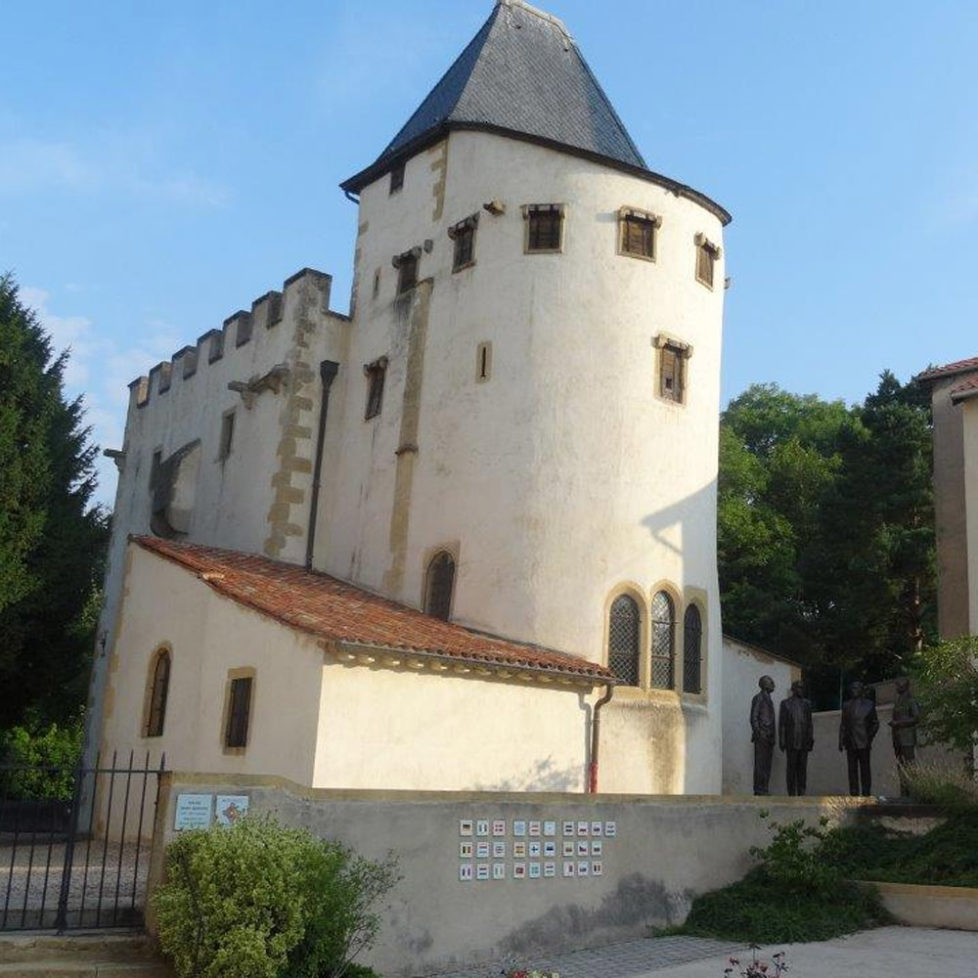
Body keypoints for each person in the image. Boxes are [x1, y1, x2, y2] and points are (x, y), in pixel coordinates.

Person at [839, 681, 880, 796]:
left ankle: (866, 792)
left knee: (865, 769)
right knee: (852, 769)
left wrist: (869, 737)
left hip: (864, 742)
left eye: (856, 688)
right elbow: (843, 724)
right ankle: (854, 791)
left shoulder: (869, 704)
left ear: (861, 690)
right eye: (852, 688)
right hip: (850, 742)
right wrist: (841, 740)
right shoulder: (846, 705)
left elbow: (875, 723)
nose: (854, 690)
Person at [778, 680, 814, 796]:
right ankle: (791, 793)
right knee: (791, 769)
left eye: (802, 688)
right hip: (791, 741)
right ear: (793, 689)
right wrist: (782, 740)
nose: (801, 690)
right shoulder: (785, 703)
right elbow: (782, 724)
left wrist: (810, 739)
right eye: (799, 688)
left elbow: (809, 724)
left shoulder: (807, 704)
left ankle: (802, 792)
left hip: (804, 741)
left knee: (802, 769)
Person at [888, 677, 921, 796]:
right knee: (901, 765)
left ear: (904, 686)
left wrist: (899, 723)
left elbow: (917, 718)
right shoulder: (899, 700)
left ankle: (913, 792)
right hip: (897, 738)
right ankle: (904, 792)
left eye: (898, 685)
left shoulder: (911, 700)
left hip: (907, 738)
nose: (896, 688)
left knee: (909, 765)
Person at [750, 676, 776, 795]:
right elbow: (753, 717)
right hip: (762, 736)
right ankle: (759, 790)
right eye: (771, 682)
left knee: (767, 764)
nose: (773, 685)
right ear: (765, 684)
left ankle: (764, 788)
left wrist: (773, 736)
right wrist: (758, 732)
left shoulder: (769, 699)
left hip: (769, 736)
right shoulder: (758, 698)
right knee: (760, 764)